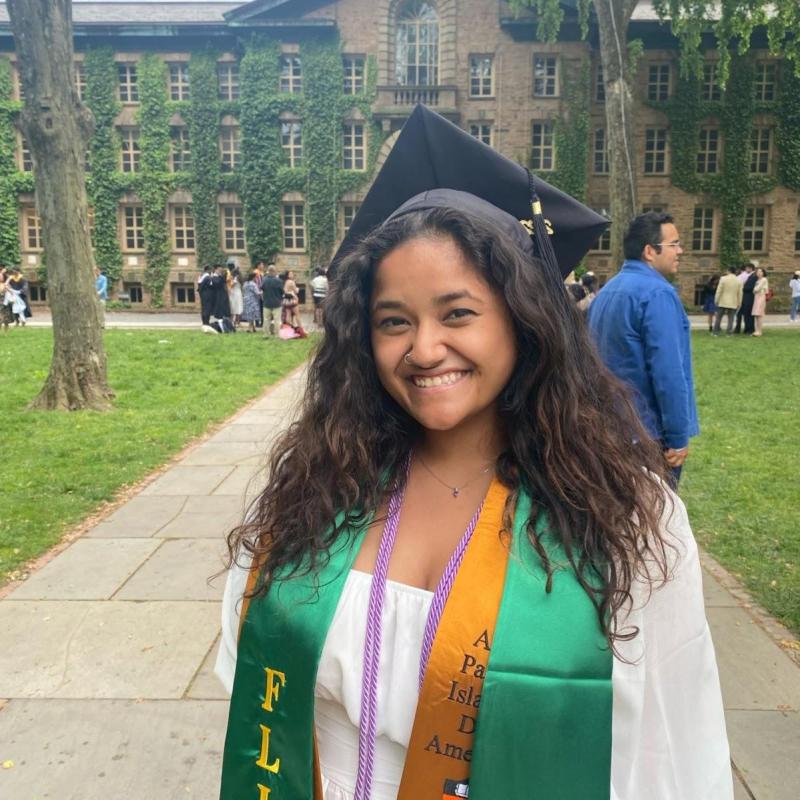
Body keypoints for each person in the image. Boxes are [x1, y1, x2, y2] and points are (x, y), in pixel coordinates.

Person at [216, 106, 731, 800]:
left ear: (523, 320)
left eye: (458, 313)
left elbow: (672, 749)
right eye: (394, 321)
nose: (424, 349)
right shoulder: (317, 487)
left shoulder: (630, 523)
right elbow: (253, 687)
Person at [588, 212, 698, 484]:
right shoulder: (657, 294)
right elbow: (669, 373)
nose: (680, 251)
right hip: (648, 435)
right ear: (650, 251)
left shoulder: (608, 290)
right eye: (674, 244)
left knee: (617, 514)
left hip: (607, 427)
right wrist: (677, 437)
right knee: (655, 520)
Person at [713, 266, 743, 336]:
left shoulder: (723, 279)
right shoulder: (739, 280)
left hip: (723, 300)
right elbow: (740, 293)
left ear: (728, 271)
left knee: (718, 317)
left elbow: (719, 290)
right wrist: (739, 302)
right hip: (733, 301)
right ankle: (729, 332)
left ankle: (715, 332)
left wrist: (716, 299)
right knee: (731, 318)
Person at [261, 264, 284, 337]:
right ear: (275, 271)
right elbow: (282, 292)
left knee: (266, 319)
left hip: (267, 302)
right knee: (277, 320)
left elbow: (262, 289)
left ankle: (266, 334)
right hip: (277, 302)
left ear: (268, 271)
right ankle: (277, 334)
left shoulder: (264, 280)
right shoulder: (279, 281)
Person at [735, 262, 756, 335]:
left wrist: (743, 287)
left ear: (751, 268)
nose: (746, 269)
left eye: (747, 268)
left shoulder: (753, 276)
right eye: (746, 268)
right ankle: (745, 329)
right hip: (744, 297)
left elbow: (750, 287)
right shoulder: (748, 275)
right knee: (744, 314)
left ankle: (749, 329)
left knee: (749, 314)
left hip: (749, 297)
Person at [751, 266, 769, 337]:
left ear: (763, 273)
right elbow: (754, 290)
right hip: (756, 297)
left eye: (760, 272)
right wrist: (755, 290)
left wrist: (755, 290)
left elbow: (756, 289)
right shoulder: (757, 281)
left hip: (761, 297)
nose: (759, 273)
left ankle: (759, 331)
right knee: (756, 314)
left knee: (759, 314)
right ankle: (756, 330)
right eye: (758, 272)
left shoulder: (764, 279)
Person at [0, 267, 14, 333]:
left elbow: (12, 292)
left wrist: (8, 289)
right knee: (1, 317)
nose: (1, 276)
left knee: (6, 318)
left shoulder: (6, 284)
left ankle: (6, 331)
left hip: (6, 303)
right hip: (1, 304)